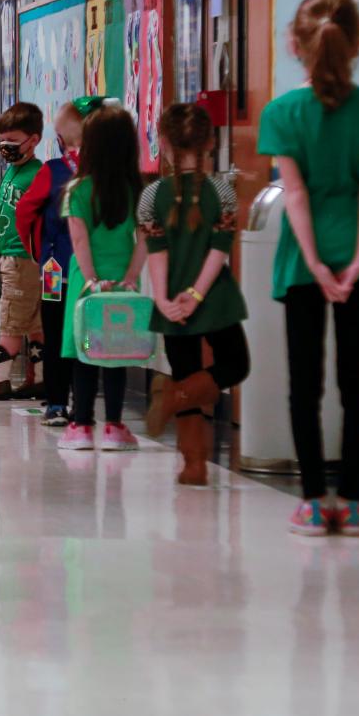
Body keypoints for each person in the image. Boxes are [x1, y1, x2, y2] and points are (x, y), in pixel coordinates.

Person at [261, 0, 359, 537]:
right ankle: (356, 501)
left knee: (305, 382)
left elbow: (294, 196)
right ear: (357, 44)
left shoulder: (281, 113)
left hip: (302, 262)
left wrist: (315, 263)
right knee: (357, 382)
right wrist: (358, 259)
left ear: (295, 46)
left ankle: (314, 500)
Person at [139, 103, 250, 485]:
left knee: (184, 367)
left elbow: (157, 253)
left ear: (164, 143)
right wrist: (197, 295)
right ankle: (177, 396)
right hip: (213, 297)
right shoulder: (223, 192)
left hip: (170, 299)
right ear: (210, 143)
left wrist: (165, 298)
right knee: (235, 364)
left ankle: (194, 464)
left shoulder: (152, 195)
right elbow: (220, 250)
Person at [56, 105, 149, 452]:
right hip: (124, 281)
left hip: (86, 283)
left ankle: (80, 425)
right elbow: (144, 239)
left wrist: (93, 280)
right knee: (116, 353)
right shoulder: (136, 189)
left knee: (84, 352)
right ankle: (113, 426)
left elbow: (79, 240)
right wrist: (129, 277)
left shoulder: (77, 190)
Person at [15, 98, 99, 425]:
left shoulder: (52, 170)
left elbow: (25, 212)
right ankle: (84, 405)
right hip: (96, 272)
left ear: (61, 136)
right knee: (87, 337)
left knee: (55, 334)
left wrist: (38, 250)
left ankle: (55, 403)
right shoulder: (105, 172)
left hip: (56, 271)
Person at [0, 103, 47, 401]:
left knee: (10, 321)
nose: (6, 147)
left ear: (33, 140)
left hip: (22, 258)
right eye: (1, 141)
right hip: (8, 254)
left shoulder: (38, 173)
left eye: (13, 141)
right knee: (33, 322)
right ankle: (40, 378)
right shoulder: (13, 171)